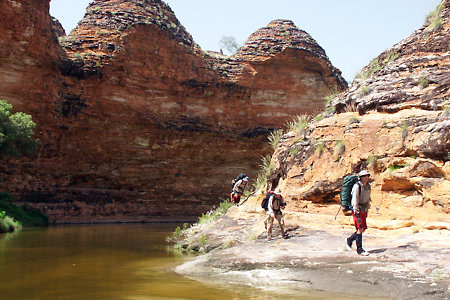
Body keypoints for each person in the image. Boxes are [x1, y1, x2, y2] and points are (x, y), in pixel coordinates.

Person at [346, 170, 371, 256]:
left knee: (363, 228)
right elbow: (355, 200)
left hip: (363, 209)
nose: (366, 177)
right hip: (357, 209)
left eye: (367, 176)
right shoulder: (357, 187)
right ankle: (359, 249)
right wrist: (356, 213)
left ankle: (349, 240)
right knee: (360, 228)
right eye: (364, 176)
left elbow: (368, 199)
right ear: (360, 177)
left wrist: (367, 210)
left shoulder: (368, 186)